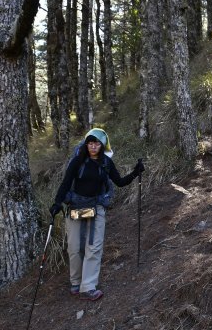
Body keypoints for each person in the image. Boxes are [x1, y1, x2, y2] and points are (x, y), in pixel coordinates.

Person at [49, 128, 144, 301]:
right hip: (76, 207)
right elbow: (65, 184)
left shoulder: (106, 163)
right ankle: (76, 282)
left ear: (102, 145)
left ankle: (88, 287)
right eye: (90, 143)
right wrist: (57, 203)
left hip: (96, 206)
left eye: (97, 144)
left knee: (94, 247)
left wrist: (136, 172)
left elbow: (120, 182)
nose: (93, 147)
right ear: (86, 144)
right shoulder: (77, 162)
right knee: (74, 247)